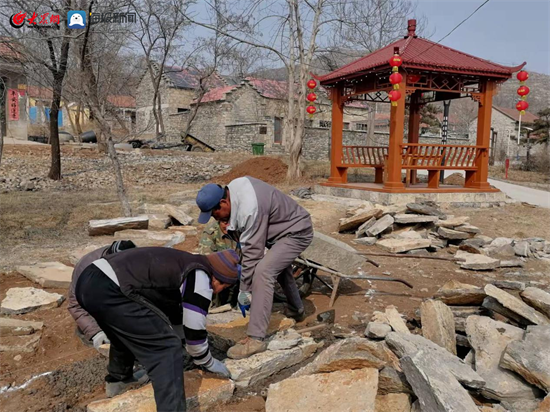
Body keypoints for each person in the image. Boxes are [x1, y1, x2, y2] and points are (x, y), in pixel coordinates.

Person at [75, 247, 240, 412]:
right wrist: (207, 361)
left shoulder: (183, 262)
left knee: (125, 332)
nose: (217, 291)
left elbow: (175, 315)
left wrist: (182, 338)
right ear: (218, 278)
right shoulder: (200, 276)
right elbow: (194, 330)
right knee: (167, 349)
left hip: (88, 282)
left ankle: (119, 380)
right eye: (222, 287)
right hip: (110, 287)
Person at [196, 176, 313, 360]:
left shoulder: (249, 207)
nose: (214, 218)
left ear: (223, 202)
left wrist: (245, 290)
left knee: (264, 271)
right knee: (277, 267)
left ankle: (256, 338)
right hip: (279, 231)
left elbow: (252, 253)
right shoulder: (235, 190)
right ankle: (296, 309)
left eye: (213, 213)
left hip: (296, 232)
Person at [68, 240, 136, 350]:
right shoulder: (86, 269)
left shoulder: (136, 262)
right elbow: (75, 306)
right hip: (99, 307)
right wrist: (96, 332)